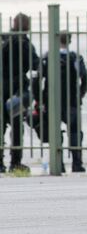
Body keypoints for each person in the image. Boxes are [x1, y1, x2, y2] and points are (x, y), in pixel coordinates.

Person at [35, 32, 87, 173]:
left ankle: (58, 163)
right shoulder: (75, 58)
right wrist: (80, 95)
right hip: (72, 100)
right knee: (75, 132)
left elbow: (37, 80)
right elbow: (85, 80)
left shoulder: (47, 57)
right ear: (70, 41)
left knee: (54, 132)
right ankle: (77, 164)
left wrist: (40, 99)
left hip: (51, 102)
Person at [0, 13, 39, 173]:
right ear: (27, 27)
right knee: (17, 129)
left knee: (0, 127)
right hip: (17, 91)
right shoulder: (25, 44)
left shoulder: (4, 41)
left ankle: (0, 163)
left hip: (1, 88)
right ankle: (15, 162)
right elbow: (35, 64)